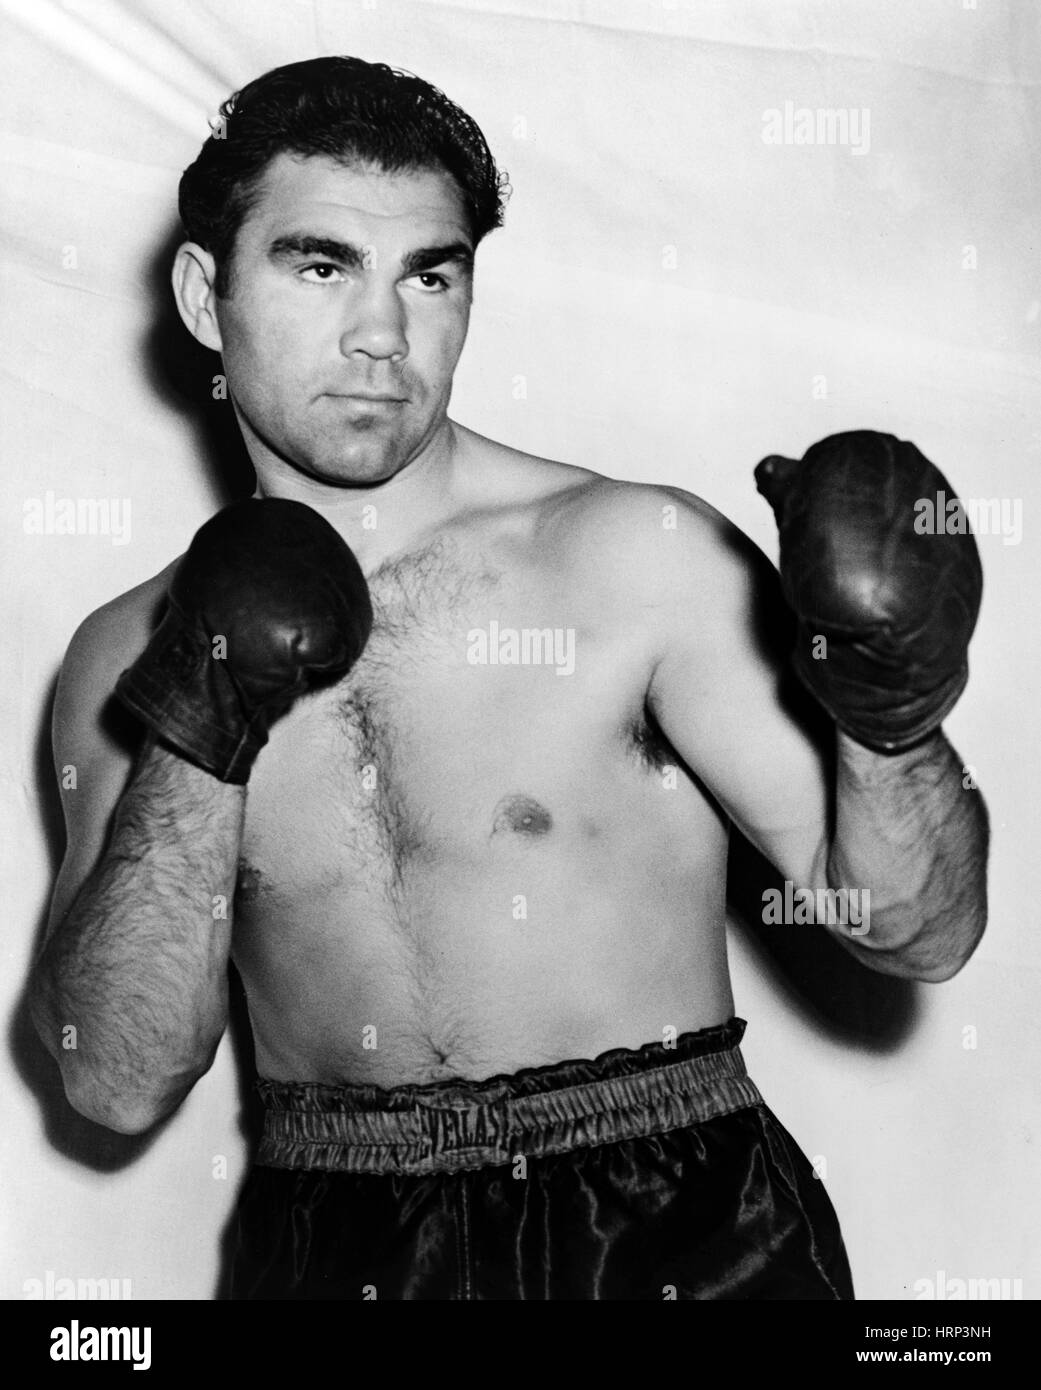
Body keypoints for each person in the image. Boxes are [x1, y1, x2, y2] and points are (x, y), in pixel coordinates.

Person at [28, 56, 987, 1300]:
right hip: (337, 1239)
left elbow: (924, 935)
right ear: (206, 296)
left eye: (430, 274)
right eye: (321, 266)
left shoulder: (634, 559)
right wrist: (197, 724)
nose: (382, 335)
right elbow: (111, 1078)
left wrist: (893, 721)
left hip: (678, 1226)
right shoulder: (121, 657)